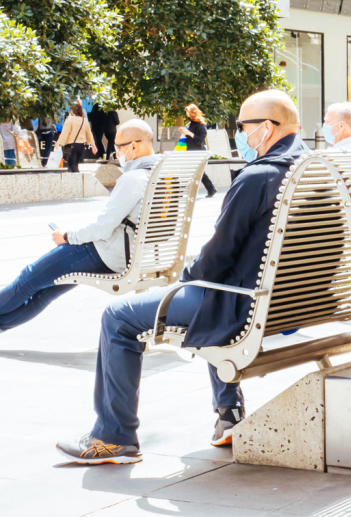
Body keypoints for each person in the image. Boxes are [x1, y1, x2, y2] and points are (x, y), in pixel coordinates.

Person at [56, 90, 307, 464]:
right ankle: (229, 415)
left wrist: (186, 278)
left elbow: (217, 258)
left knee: (118, 317)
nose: (240, 134)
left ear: (266, 129)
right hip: (290, 304)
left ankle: (114, 436)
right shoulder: (310, 166)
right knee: (208, 289)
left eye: (243, 127)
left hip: (240, 305)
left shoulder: (259, 177)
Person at [0, 119, 158, 331]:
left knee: (28, 278)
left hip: (106, 253)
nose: (116, 152)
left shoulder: (134, 179)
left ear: (134, 146)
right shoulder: (162, 175)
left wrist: (66, 236)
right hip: (137, 255)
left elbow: (103, 229)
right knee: (46, 291)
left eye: (119, 147)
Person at [179, 103, 217, 197]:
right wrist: (184, 133)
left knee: (196, 172)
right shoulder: (189, 124)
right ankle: (211, 189)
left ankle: (183, 191)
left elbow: (200, 140)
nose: (186, 114)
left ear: (192, 113)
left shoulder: (201, 125)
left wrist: (189, 133)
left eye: (188, 112)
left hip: (198, 152)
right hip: (189, 151)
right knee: (197, 172)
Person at [55, 102, 95, 172]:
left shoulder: (70, 119)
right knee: (75, 164)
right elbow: (89, 134)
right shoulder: (84, 120)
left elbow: (65, 133)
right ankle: (77, 180)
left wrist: (58, 143)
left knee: (71, 166)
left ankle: (76, 181)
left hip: (71, 145)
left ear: (73, 110)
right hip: (81, 146)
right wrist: (94, 145)